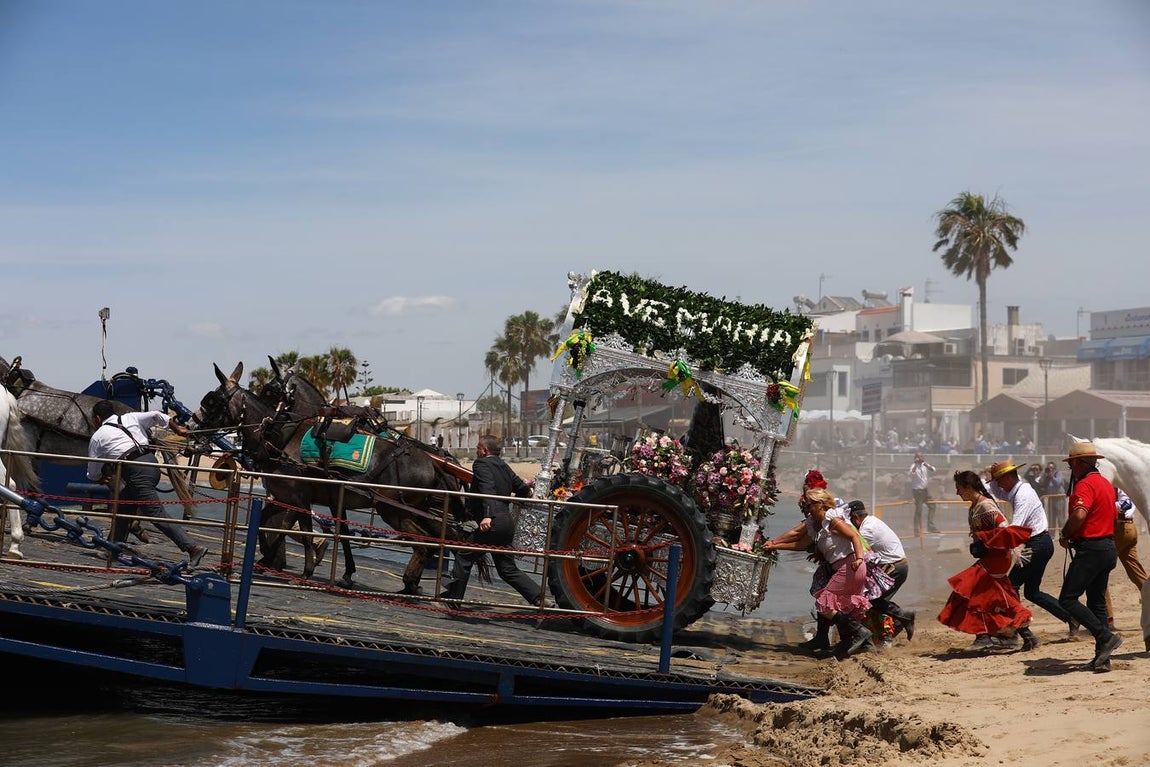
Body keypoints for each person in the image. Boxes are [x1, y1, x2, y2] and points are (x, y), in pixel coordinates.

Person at [86, 400, 207, 566]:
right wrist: (177, 428)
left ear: (98, 418)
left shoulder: (98, 436)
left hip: (136, 472)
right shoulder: (130, 418)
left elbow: (93, 472)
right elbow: (156, 415)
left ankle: (192, 547)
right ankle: (112, 549)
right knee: (123, 506)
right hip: (151, 464)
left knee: (156, 514)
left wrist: (100, 478)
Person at [765, 486, 872, 659]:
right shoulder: (818, 525)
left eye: (809, 505)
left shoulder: (832, 520)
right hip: (847, 567)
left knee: (824, 604)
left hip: (850, 566)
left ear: (820, 504)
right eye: (805, 506)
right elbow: (800, 543)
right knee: (839, 606)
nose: (807, 509)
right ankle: (860, 643)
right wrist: (775, 545)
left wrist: (859, 558)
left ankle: (860, 632)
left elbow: (854, 536)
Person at [938, 470, 1038, 652]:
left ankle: (983, 637)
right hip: (989, 557)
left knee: (973, 592)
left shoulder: (985, 505)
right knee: (995, 598)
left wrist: (986, 540)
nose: (957, 492)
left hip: (996, 558)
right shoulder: (975, 506)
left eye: (959, 488)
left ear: (969, 487)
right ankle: (1022, 635)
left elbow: (1004, 527)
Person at [439, 434, 541, 605]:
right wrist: (529, 495)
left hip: (491, 523)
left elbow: (488, 489)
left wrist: (488, 515)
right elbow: (522, 488)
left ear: (484, 451)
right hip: (506, 524)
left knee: (464, 555)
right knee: (507, 569)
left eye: (478, 448)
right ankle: (538, 597)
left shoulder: (481, 464)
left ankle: (454, 599)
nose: (476, 451)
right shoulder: (504, 466)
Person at [987, 460, 1076, 638]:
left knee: (1010, 587)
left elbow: (1015, 527)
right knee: (1032, 592)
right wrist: (992, 473)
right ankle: (1071, 618)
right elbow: (996, 492)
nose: (998, 484)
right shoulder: (1018, 489)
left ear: (1008, 478)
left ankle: (1017, 630)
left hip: (1037, 545)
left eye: (999, 480)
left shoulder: (1023, 495)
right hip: (1040, 543)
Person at [1057, 441, 1123, 672]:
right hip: (1107, 546)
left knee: (1067, 599)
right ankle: (1102, 659)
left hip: (1092, 548)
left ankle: (1105, 636)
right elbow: (1114, 516)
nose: (1071, 469)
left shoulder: (1084, 485)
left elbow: (1079, 515)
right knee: (1097, 602)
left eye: (1071, 464)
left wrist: (1065, 534)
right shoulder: (1105, 484)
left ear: (1078, 463)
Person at [764, 469, 842, 656]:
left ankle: (851, 633)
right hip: (832, 559)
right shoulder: (818, 511)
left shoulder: (829, 512)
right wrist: (775, 544)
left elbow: (799, 535)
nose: (807, 505)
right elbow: (804, 538)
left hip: (842, 561)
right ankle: (824, 637)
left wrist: (774, 544)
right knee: (823, 595)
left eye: (809, 503)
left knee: (826, 597)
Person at [846, 500, 915, 646]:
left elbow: (856, 550)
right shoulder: (872, 521)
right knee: (878, 602)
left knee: (872, 600)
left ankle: (899, 621)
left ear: (855, 518)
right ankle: (897, 623)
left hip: (893, 567)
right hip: (897, 566)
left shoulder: (867, 530)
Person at [1102, 486, 1147, 628]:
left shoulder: (1117, 483)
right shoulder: (1124, 482)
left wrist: (1102, 505)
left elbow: (1125, 504)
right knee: (1136, 572)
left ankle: (1107, 618)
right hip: (1128, 528)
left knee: (1099, 572)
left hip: (1119, 528)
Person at [908, 452, 938, 535]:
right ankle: (916, 530)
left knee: (932, 506)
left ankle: (930, 526)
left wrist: (927, 465)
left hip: (925, 490)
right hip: (917, 491)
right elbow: (911, 474)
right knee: (919, 510)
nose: (920, 458)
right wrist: (915, 464)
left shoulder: (924, 465)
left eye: (921, 456)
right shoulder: (913, 466)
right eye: (919, 457)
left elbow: (933, 469)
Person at [1037, 461, 1067, 529]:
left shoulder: (1058, 473)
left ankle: (1062, 532)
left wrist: (1052, 476)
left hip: (1059, 499)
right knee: (1051, 518)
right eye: (1048, 468)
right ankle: (1052, 534)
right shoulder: (1046, 476)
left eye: (1051, 468)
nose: (1050, 469)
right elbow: (1041, 483)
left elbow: (1058, 483)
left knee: (1060, 518)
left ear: (1054, 468)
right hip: (1051, 499)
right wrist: (1044, 475)